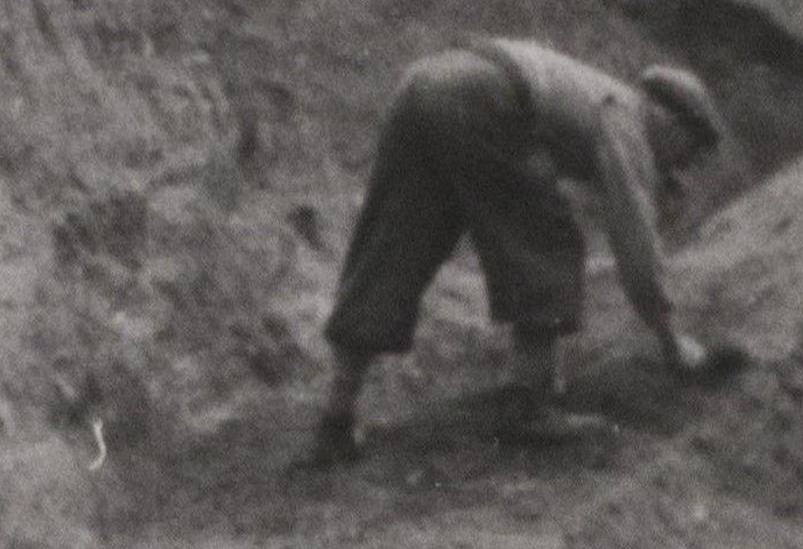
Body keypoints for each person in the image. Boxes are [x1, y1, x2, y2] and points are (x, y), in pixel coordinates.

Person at [305, 39, 735, 468]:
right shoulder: (628, 121)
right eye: (688, 152)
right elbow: (635, 241)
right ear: (673, 123)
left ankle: (336, 418)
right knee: (549, 238)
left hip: (424, 81)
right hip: (485, 94)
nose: (680, 167)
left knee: (394, 242)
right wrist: (669, 337)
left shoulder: (600, 97)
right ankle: (530, 404)